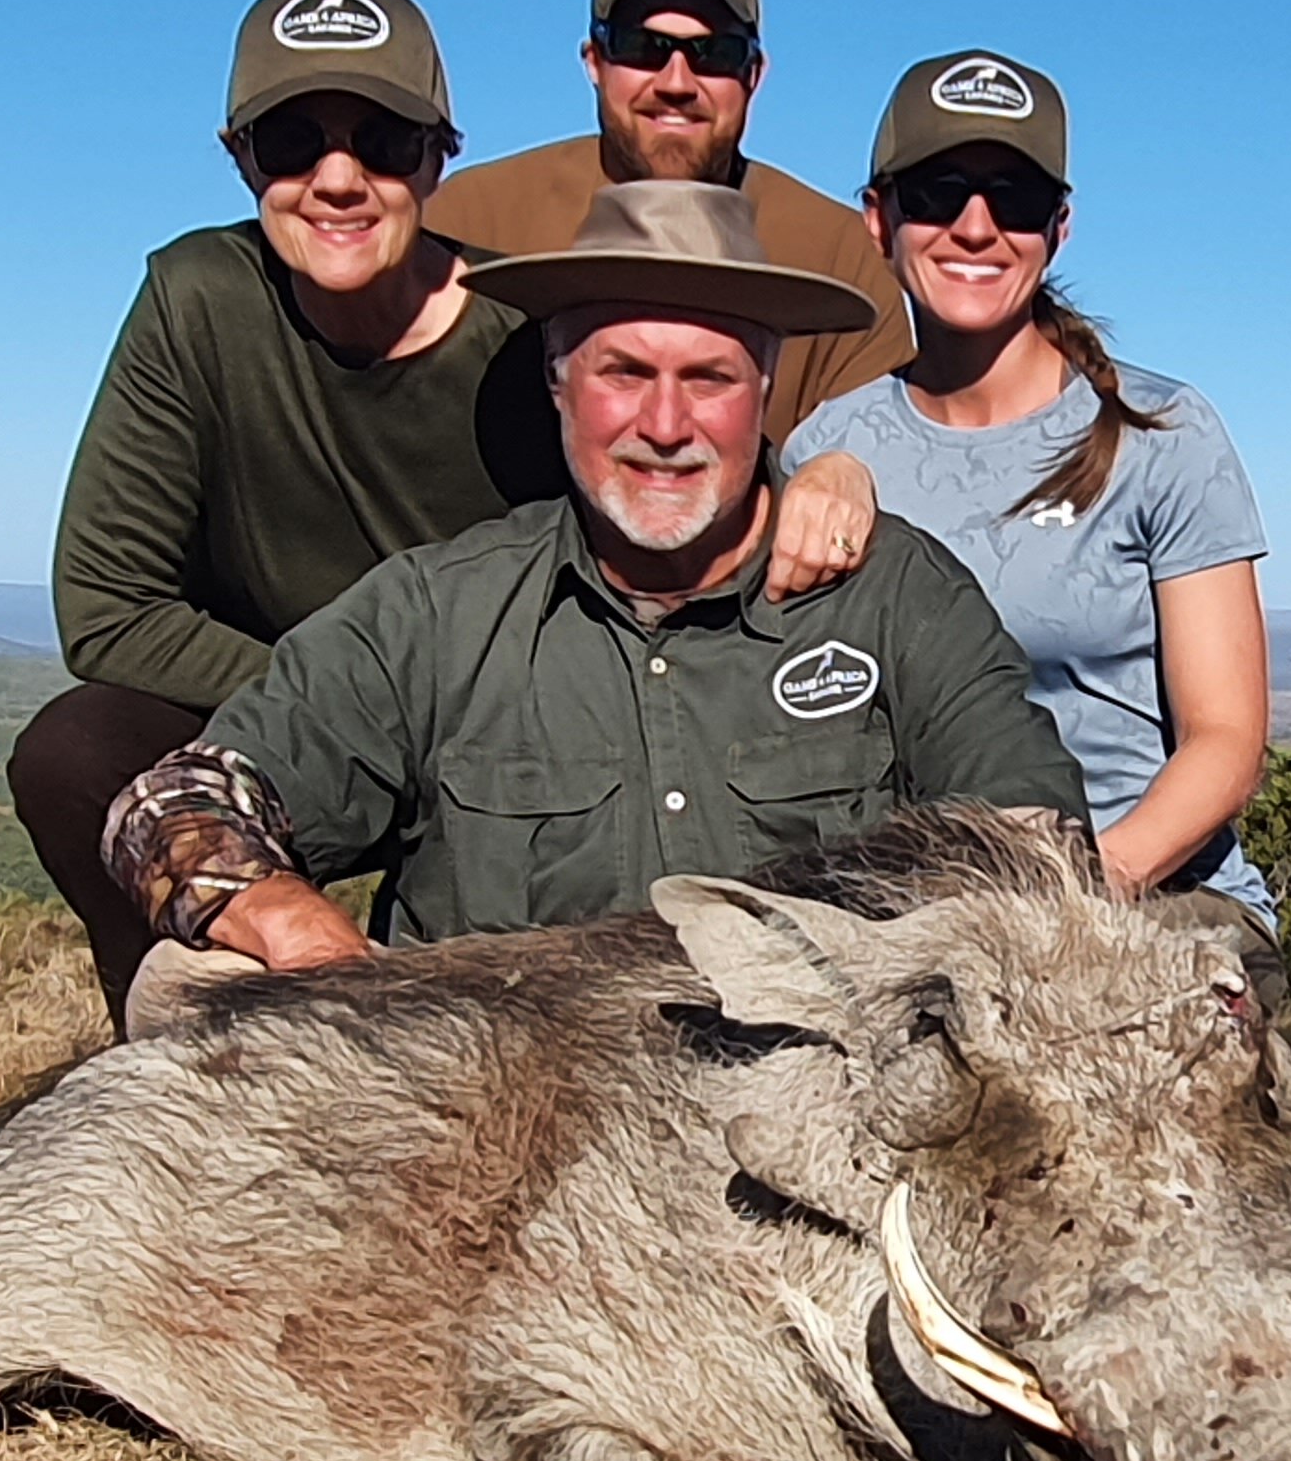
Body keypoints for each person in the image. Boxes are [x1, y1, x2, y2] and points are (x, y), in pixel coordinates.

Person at [100, 180, 1087, 972]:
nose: (665, 427)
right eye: (623, 374)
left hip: (823, 1144)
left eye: (709, 379)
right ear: (559, 385)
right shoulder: (440, 613)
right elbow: (175, 805)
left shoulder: (895, 597)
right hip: (499, 1150)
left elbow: (1041, 846)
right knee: (186, 989)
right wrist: (295, 932)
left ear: (764, 391)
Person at [6, 0, 585, 1026]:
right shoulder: (199, 301)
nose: (336, 178)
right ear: (239, 158)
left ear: (439, 155)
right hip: (273, 717)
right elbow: (107, 607)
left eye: (383, 140)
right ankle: (176, 1051)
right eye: (291, 141)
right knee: (73, 752)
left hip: (493, 727)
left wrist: (827, 474)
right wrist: (328, 710)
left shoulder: (524, 336)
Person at [781, 51, 1280, 987]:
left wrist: (1085, 891)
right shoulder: (823, 451)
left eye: (1012, 199)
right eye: (938, 193)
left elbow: (1226, 741)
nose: (977, 227)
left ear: (1058, 227)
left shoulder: (1163, 434)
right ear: (878, 218)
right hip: (919, 916)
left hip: (1149, 895)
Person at [423, 0, 918, 452]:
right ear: (594, 60)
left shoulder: (841, 262)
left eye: (715, 54)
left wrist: (838, 476)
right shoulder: (466, 222)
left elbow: (876, 453)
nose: (677, 82)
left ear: (754, 74)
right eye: (642, 47)